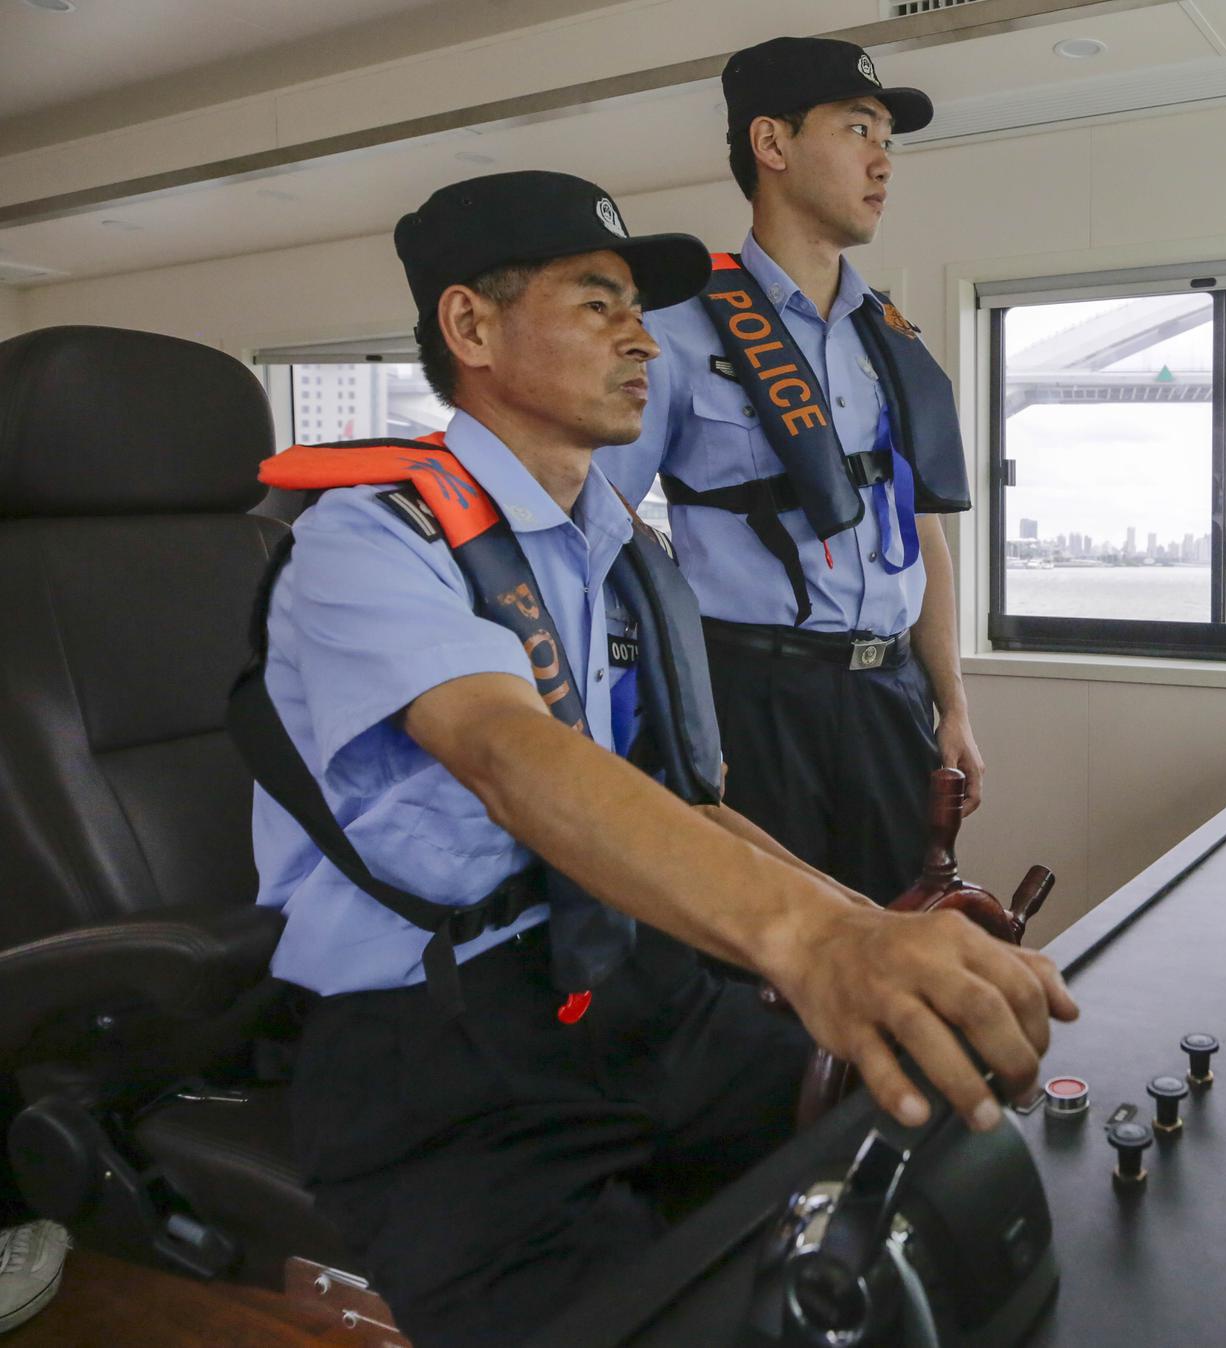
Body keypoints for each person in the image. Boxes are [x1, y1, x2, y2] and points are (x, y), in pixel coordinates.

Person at [245, 170, 1074, 1348]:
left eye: (637, 307)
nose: (642, 337)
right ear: (470, 328)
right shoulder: (369, 542)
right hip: (435, 1044)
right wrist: (813, 942)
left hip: (626, 984)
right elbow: (505, 750)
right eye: (597, 304)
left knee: (912, 1157)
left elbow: (668, 801)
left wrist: (869, 925)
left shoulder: (615, 553)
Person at [597, 36, 983, 906]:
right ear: (772, 146)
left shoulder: (887, 338)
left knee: (894, 941)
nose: (883, 161)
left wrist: (952, 704)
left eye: (887, 137)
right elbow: (598, 527)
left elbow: (921, 530)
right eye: (858, 129)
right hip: (752, 701)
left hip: (891, 700)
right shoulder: (675, 330)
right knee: (763, 969)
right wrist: (671, 710)